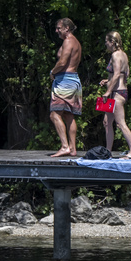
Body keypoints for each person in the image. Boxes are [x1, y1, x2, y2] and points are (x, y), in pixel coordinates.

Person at [48, 17, 83, 158]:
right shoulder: (76, 42)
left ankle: (64, 147)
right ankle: (73, 148)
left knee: (54, 114)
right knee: (68, 115)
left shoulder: (68, 41)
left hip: (65, 81)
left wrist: (52, 72)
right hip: (73, 80)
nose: (56, 30)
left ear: (67, 28)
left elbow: (62, 62)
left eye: (59, 28)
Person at [99, 31, 131, 158]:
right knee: (106, 122)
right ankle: (108, 151)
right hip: (117, 91)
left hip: (116, 93)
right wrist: (108, 81)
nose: (105, 44)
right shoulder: (124, 55)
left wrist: (108, 91)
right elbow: (124, 73)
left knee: (120, 123)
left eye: (107, 42)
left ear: (113, 42)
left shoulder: (115, 55)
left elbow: (116, 74)